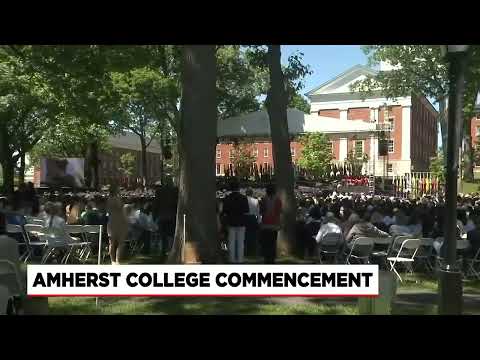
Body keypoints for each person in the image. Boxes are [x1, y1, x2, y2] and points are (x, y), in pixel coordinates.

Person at [222, 180, 249, 264]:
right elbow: (246, 210)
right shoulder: (243, 198)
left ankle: (232, 259)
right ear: (239, 188)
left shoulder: (227, 198)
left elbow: (224, 211)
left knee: (231, 241)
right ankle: (240, 259)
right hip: (241, 221)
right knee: (241, 241)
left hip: (231, 221)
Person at [259, 184, 282, 264]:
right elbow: (279, 212)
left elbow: (261, 211)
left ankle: (266, 258)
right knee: (273, 242)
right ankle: (272, 259)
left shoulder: (263, 199)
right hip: (274, 224)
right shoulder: (278, 200)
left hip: (265, 223)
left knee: (266, 242)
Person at [106, 186, 129, 265]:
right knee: (120, 242)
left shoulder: (108, 199)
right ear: (116, 191)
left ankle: (113, 261)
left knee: (112, 243)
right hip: (119, 222)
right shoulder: (116, 199)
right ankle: (117, 260)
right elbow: (120, 207)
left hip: (112, 222)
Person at [244, 188, 260, 257]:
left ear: (246, 193)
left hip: (245, 218)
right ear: (252, 193)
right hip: (253, 218)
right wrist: (259, 221)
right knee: (253, 236)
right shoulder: (256, 201)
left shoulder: (243, 200)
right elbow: (258, 212)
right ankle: (253, 251)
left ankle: (246, 251)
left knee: (245, 236)